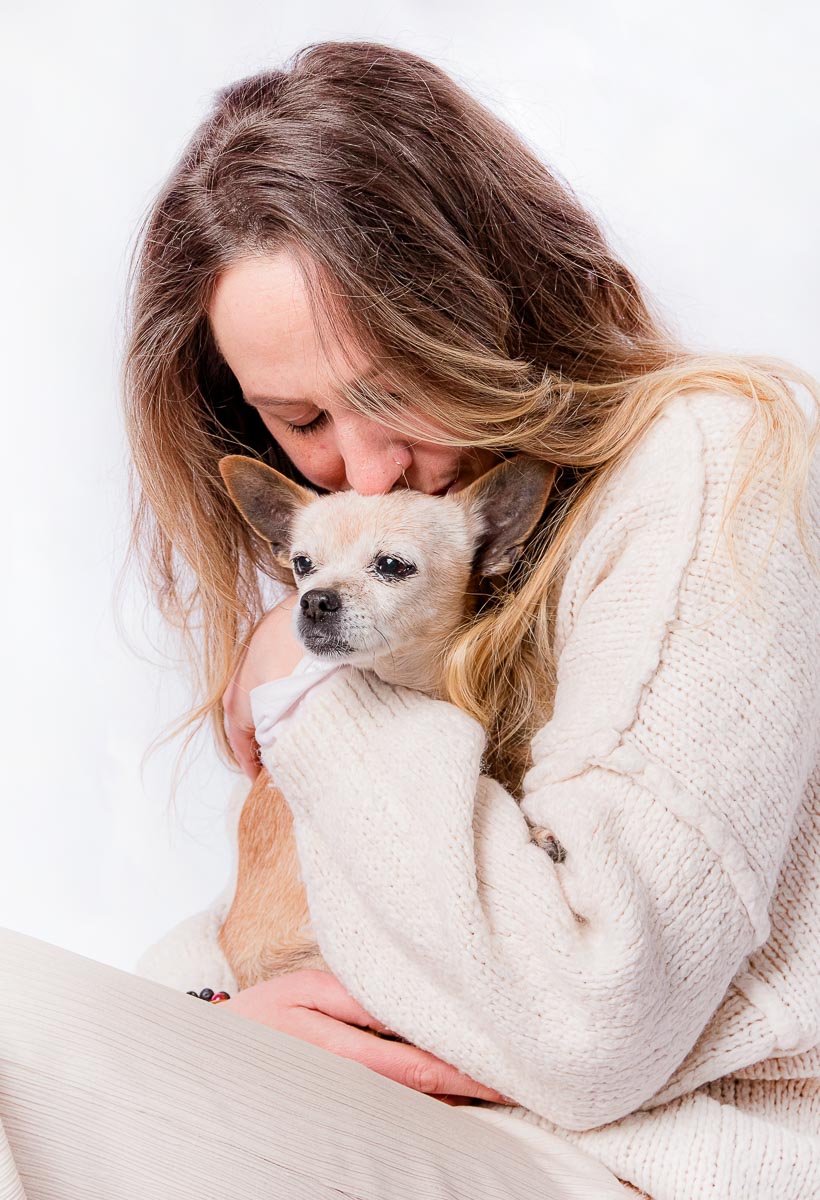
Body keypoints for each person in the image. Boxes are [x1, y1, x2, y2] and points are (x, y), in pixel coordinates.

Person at [115, 37, 816, 1200]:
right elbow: (313, 924)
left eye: (395, 385)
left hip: (650, 1169)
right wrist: (222, 1020)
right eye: (299, 420)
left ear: (489, 310)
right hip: (442, 1141)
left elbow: (590, 1024)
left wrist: (308, 677)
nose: (370, 467)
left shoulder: (703, 465)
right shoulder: (392, 581)